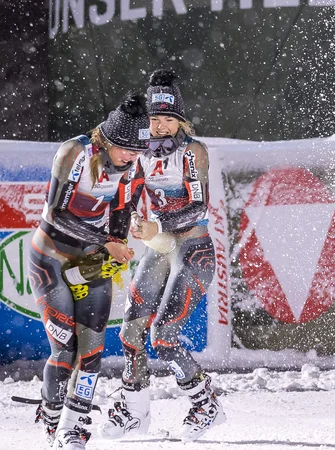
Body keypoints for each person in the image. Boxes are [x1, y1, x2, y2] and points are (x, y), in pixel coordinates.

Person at [99, 69, 223, 442]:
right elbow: (128, 198)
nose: (162, 126)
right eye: (155, 119)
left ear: (181, 121)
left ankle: (205, 403)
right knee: (130, 331)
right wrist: (125, 228)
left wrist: (157, 226)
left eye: (169, 118)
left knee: (165, 335)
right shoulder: (138, 155)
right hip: (158, 250)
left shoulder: (192, 152)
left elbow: (199, 207)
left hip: (193, 250)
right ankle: (135, 410)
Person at [30, 94, 148, 449]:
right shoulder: (75, 152)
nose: (130, 156)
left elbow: (121, 217)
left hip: (91, 261)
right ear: (107, 140)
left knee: (92, 350)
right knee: (64, 352)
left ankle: (73, 426)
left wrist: (121, 241)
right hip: (52, 256)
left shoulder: (134, 168)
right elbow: (56, 213)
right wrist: (106, 240)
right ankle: (51, 412)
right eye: (125, 148)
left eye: (137, 150)